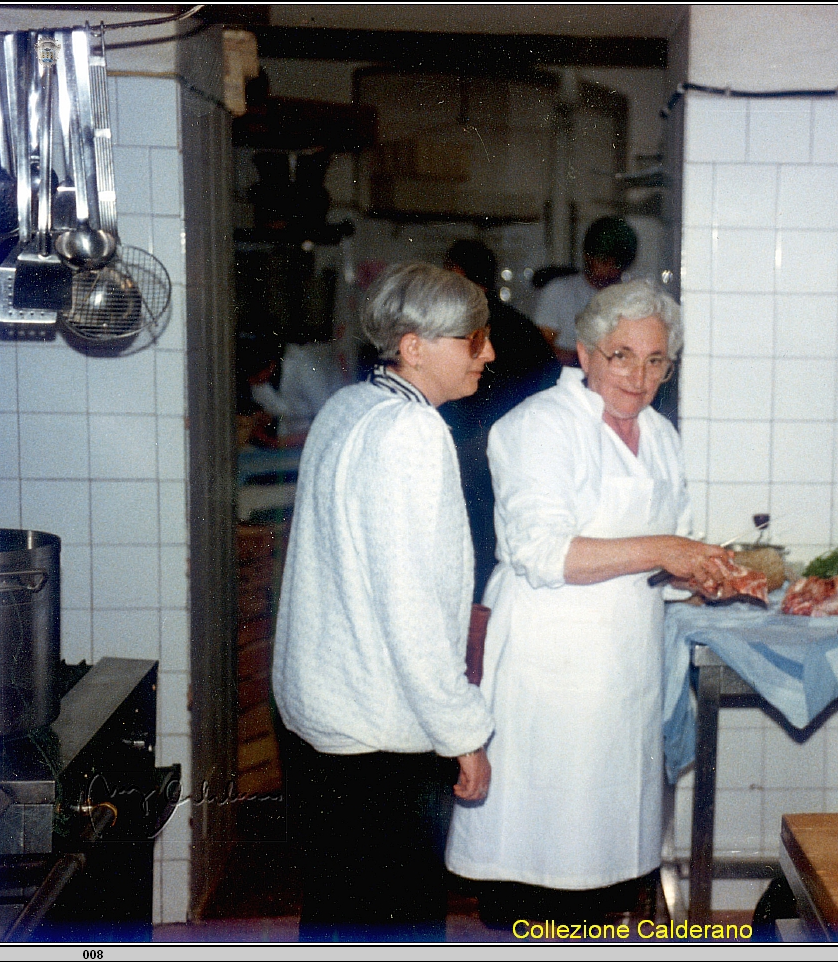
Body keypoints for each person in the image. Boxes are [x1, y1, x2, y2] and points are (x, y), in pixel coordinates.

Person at [445, 279, 732, 922]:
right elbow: (547, 553)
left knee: (613, 864)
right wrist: (665, 549)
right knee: (545, 872)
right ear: (585, 352)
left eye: (656, 360)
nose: (639, 375)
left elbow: (667, 551)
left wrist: (698, 573)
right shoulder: (538, 427)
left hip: (625, 671)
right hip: (551, 672)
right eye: (622, 354)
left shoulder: (659, 434)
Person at [272, 263, 495, 941]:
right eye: (472, 339)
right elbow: (413, 609)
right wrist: (465, 734)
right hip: (377, 733)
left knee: (339, 911)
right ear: (414, 345)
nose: (488, 352)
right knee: (397, 924)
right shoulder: (412, 433)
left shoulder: (350, 404)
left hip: (321, 715)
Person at [441, 240, 562, 602]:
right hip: (516, 463)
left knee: (466, 560)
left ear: (459, 274)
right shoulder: (522, 327)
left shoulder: (458, 331)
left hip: (468, 463)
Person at [532, 216, 638, 366]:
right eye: (603, 262)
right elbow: (542, 350)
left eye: (616, 265)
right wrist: (590, 359)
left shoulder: (631, 298)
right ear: (587, 256)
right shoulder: (558, 291)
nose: (609, 270)